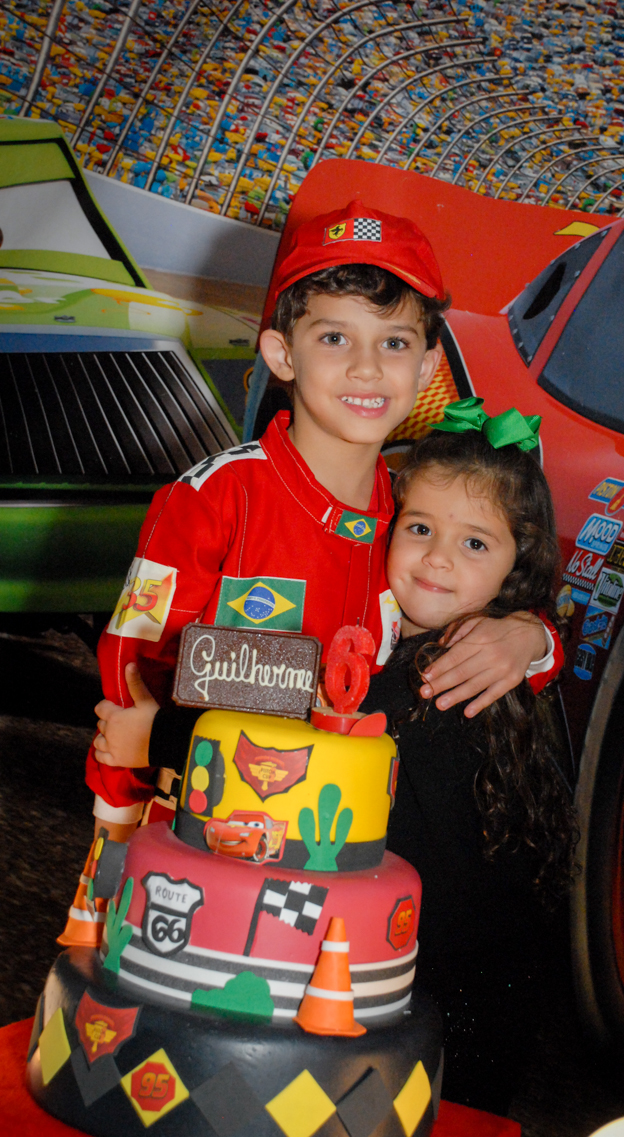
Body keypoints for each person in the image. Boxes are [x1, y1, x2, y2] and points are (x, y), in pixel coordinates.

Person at [63, 200, 560, 947]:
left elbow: (490, 618)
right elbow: (129, 688)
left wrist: (529, 638)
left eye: (394, 343)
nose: (366, 368)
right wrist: (117, 839)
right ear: (281, 353)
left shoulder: (415, 522)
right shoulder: (212, 499)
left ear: (427, 368)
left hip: (338, 861)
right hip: (197, 860)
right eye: (334, 337)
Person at [365, 399, 578, 1116]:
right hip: (458, 1019)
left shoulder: (430, 679)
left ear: (518, 565)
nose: (436, 558)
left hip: (430, 1019)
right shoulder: (478, 657)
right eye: (420, 529)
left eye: (474, 544)